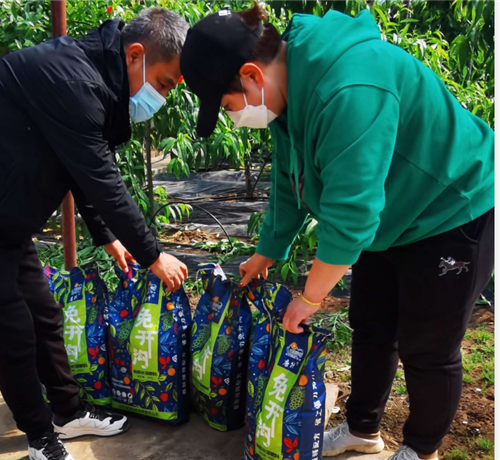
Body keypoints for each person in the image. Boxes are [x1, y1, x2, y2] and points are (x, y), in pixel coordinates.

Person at [180, 3, 494, 460]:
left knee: (427, 347)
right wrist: (267, 252)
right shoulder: (288, 92)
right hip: (392, 219)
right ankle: (363, 429)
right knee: (370, 326)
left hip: (452, 209)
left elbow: (351, 216)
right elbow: (291, 184)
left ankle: (422, 449)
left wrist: (309, 298)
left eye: (228, 106)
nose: (233, 116)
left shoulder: (350, 85)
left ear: (251, 75)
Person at [0, 8, 189, 460]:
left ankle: (68, 411)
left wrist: (108, 238)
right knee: (13, 334)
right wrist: (152, 254)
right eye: (163, 83)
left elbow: (80, 168)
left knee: (44, 315)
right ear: (135, 54)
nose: (161, 97)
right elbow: (101, 179)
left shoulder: (92, 79)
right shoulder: (72, 81)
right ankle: (41, 438)